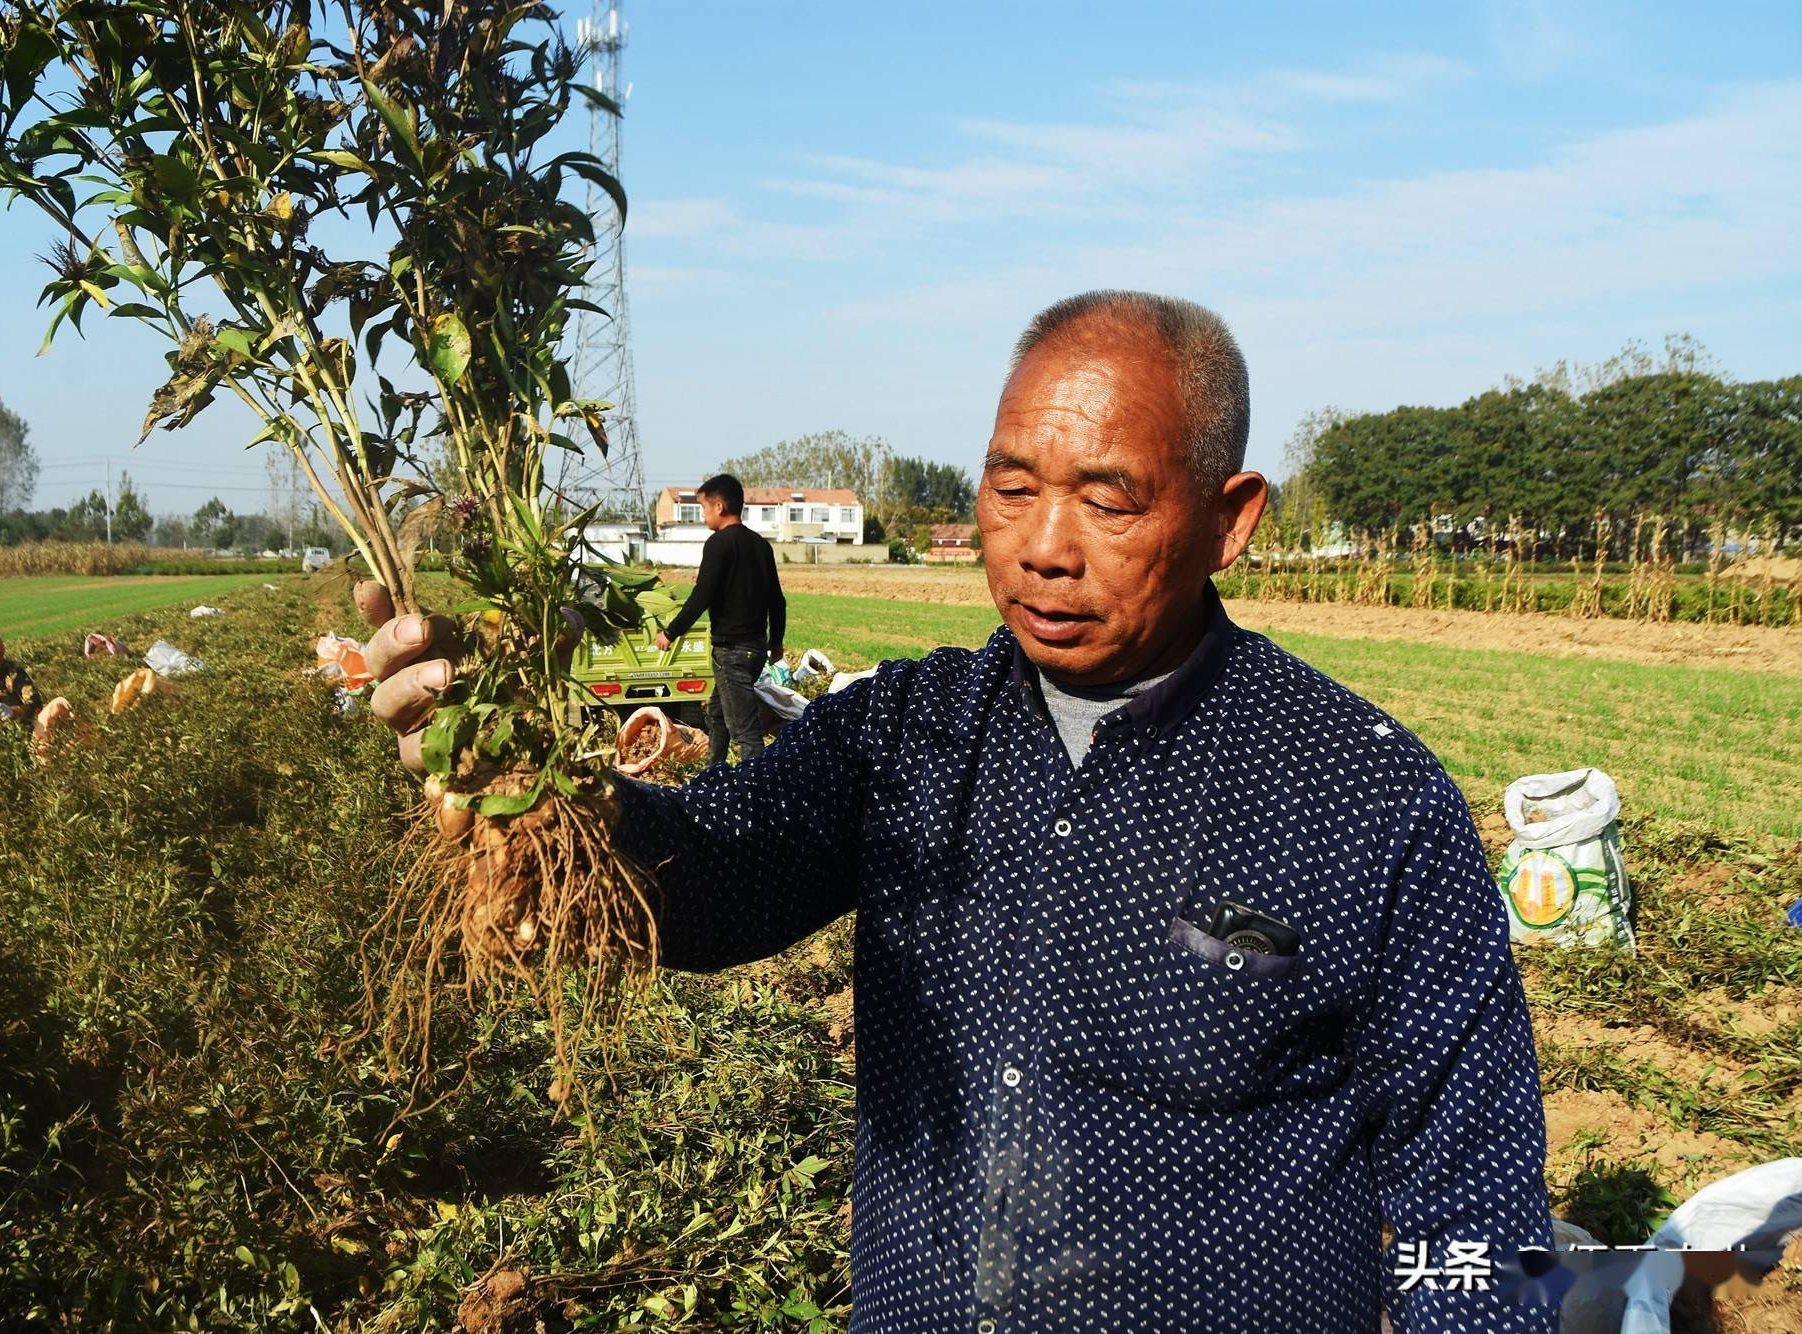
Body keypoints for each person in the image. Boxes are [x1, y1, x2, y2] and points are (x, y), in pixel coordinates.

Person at [358, 292, 1554, 1332]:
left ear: (1228, 517)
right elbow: (716, 873)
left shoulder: (1360, 798)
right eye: (1011, 486)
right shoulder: (905, 735)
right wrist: (533, 782)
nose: (1041, 548)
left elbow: (1476, 1200)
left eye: (1106, 499)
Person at [653, 473, 786, 768]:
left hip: (732, 652)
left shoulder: (718, 544)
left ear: (720, 507)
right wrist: (776, 642)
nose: (703, 516)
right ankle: (714, 774)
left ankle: (756, 792)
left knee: (745, 731)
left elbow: (702, 596)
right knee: (717, 714)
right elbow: (777, 600)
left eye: (704, 509)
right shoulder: (761, 545)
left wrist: (670, 633)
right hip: (755, 650)